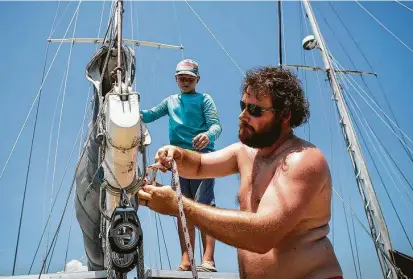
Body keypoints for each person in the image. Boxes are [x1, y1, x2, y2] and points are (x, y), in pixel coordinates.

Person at [138, 66, 343, 279]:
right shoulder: (244, 152)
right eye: (242, 105)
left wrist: (178, 205)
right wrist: (177, 153)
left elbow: (262, 236)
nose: (242, 116)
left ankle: (208, 259)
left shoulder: (303, 160)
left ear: (285, 115)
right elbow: (198, 165)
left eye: (254, 110)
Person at [140, 59, 222, 272]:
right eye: (181, 78)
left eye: (190, 78)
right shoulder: (170, 101)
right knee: (182, 210)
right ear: (176, 78)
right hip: (179, 163)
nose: (185, 81)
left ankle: (208, 260)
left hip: (203, 159)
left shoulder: (205, 99)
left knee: (204, 207)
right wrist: (129, 109)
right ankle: (186, 259)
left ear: (197, 80)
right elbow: (150, 115)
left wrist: (208, 134)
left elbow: (216, 125)